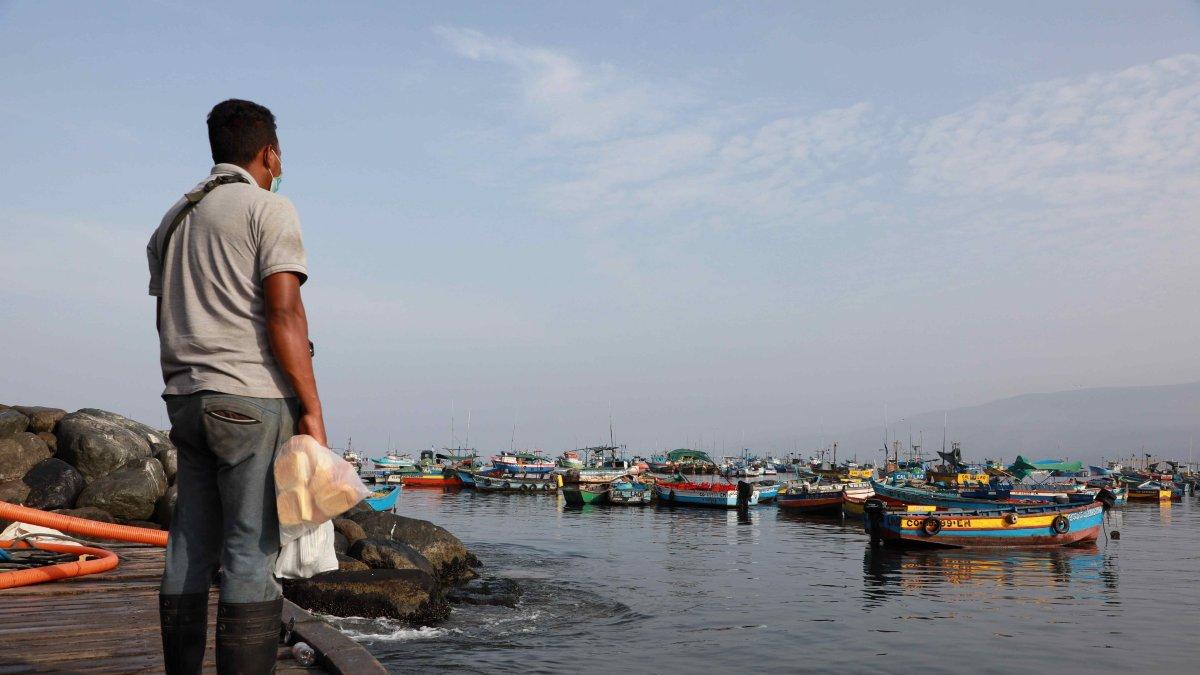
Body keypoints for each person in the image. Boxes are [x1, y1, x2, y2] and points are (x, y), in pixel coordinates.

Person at [147, 99, 326, 674]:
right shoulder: (268, 209)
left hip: (186, 400)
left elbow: (166, 315)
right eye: (280, 154)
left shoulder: (174, 219)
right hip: (249, 400)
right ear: (268, 151)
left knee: (188, 547)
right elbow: (285, 314)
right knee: (251, 551)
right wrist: (312, 410)